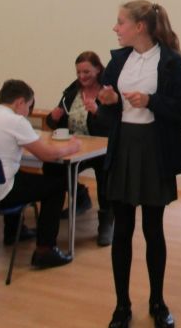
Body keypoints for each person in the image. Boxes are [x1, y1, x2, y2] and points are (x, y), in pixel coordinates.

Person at [97, 0, 181, 328]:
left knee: (154, 229)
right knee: (122, 229)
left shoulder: (170, 62)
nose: (116, 28)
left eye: (121, 22)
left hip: (155, 149)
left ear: (139, 27)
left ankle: (158, 302)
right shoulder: (118, 61)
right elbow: (110, 113)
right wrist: (110, 102)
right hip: (124, 147)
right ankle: (121, 305)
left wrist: (151, 101)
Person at [0, 79, 81, 268]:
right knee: (57, 186)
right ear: (19, 102)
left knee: (17, 174)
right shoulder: (16, 121)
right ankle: (45, 251)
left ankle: (14, 232)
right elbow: (46, 155)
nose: (28, 112)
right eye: (28, 106)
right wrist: (71, 147)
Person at [44, 51, 114, 246]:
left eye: (86, 72)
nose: (82, 76)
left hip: (101, 149)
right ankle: (79, 196)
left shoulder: (108, 92)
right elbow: (53, 122)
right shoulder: (72, 92)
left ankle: (106, 220)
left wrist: (97, 112)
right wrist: (53, 118)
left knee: (105, 172)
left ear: (98, 69)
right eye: (79, 72)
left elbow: (114, 124)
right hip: (75, 146)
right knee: (52, 167)